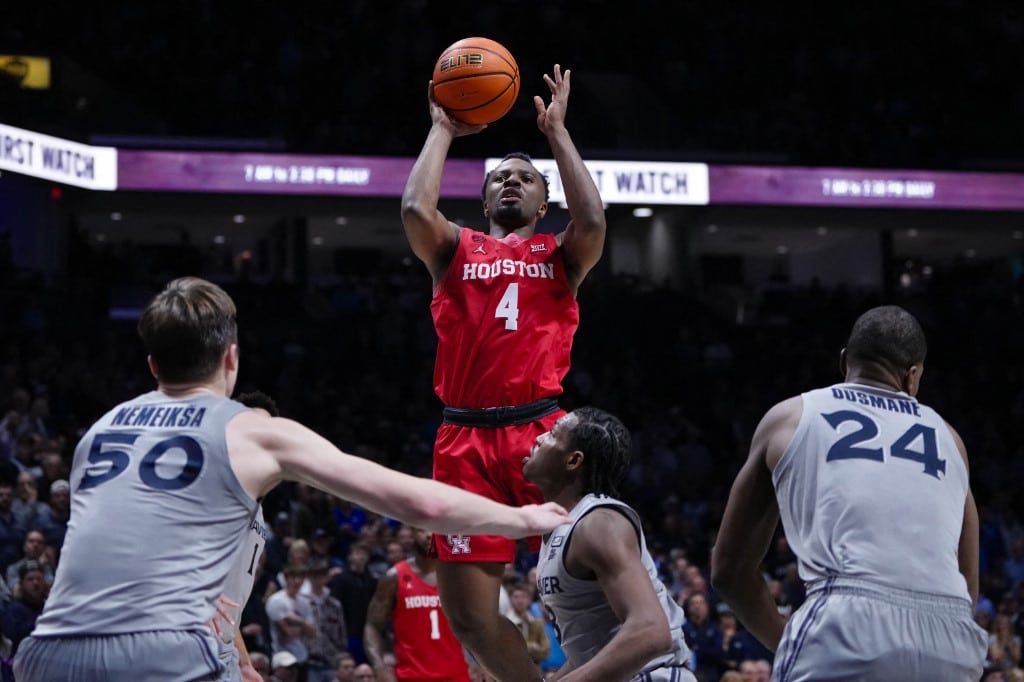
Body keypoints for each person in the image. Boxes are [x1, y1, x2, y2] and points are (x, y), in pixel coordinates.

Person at [13, 276, 571, 681]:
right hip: (163, 656)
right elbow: (413, 503)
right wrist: (520, 517)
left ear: (154, 365)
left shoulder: (96, 434)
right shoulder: (253, 431)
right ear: (231, 358)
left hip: (47, 652)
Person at [401, 63, 606, 681]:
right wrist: (441, 127)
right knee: (468, 617)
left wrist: (557, 134)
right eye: (499, 179)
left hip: (543, 432)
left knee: (587, 585)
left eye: (525, 179)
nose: (511, 183)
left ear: (544, 201)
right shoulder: (455, 248)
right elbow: (415, 205)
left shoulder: (560, 254)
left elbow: (594, 222)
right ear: (485, 199)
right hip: (462, 439)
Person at [711, 305, 989, 681]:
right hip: (950, 637)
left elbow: (729, 571)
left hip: (845, 625)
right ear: (912, 376)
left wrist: (788, 637)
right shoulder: (951, 440)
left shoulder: (790, 417)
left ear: (844, 362)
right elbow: (967, 585)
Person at [523, 407, 696, 681]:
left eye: (553, 435)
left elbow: (651, 630)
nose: (539, 438)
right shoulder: (565, 525)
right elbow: (592, 653)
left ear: (573, 461)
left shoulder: (598, 523)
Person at [216, 389, 278, 682]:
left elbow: (230, 604)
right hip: (186, 639)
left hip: (224, 646)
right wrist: (190, 593)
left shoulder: (258, 508)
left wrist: (243, 663)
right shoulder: (211, 483)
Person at [364, 526, 470, 682]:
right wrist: (379, 667)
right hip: (412, 676)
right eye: (422, 530)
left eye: (434, 529)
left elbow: (480, 626)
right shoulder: (394, 577)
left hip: (457, 676)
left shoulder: (459, 576)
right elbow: (372, 625)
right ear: (411, 535)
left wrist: (484, 664)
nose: (429, 535)